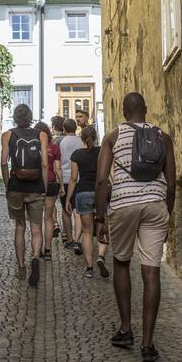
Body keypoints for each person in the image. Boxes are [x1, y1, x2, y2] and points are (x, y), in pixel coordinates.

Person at [95, 92, 176, 362]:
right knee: (151, 270)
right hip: (156, 204)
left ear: (123, 111)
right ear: (146, 109)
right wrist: (168, 213)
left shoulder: (113, 137)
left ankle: (126, 329)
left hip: (124, 204)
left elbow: (102, 181)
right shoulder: (163, 137)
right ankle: (148, 344)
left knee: (121, 263)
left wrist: (99, 217)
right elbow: (172, 182)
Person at [1, 104, 49, 287]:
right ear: (30, 117)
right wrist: (43, 187)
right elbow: (44, 164)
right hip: (36, 186)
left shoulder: (7, 135)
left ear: (15, 118)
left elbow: (4, 162)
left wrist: (7, 186)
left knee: (20, 226)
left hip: (16, 187)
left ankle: (21, 267)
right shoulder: (41, 135)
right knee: (36, 228)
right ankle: (35, 257)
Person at [65, 126, 110, 278]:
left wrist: (68, 199)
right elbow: (110, 175)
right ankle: (101, 257)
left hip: (83, 193)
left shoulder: (76, 155)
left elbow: (73, 179)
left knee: (87, 231)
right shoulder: (103, 152)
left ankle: (89, 268)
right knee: (103, 227)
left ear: (82, 139)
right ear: (96, 137)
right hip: (101, 193)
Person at [33, 121, 63, 261]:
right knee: (49, 218)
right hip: (51, 184)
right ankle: (48, 250)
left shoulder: (33, 146)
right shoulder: (54, 147)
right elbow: (57, 169)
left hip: (36, 183)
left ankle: (36, 250)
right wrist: (61, 185)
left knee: (36, 219)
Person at [59, 119, 83, 252]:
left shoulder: (62, 142)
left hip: (66, 178)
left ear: (64, 128)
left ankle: (69, 238)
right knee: (77, 210)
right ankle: (77, 238)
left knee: (65, 209)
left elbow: (60, 161)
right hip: (79, 178)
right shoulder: (80, 141)